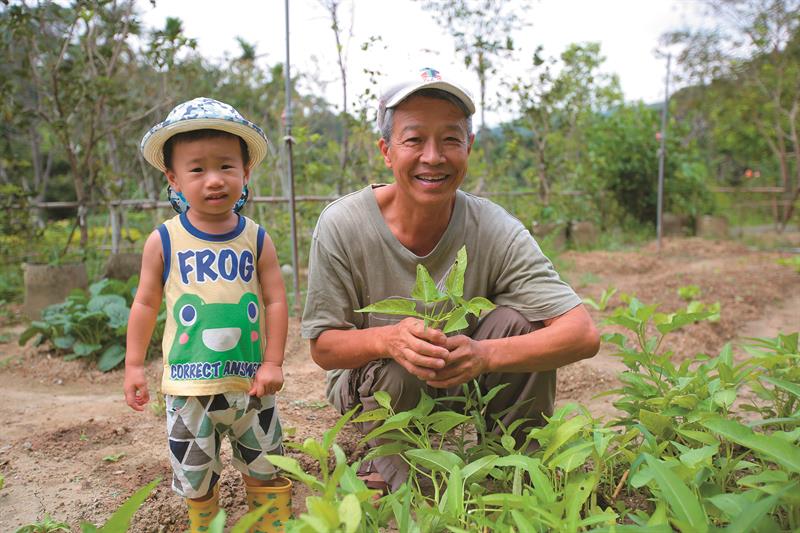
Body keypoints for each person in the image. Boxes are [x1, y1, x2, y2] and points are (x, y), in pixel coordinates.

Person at [301, 68, 600, 492]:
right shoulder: (343, 224)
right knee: (401, 368)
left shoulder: (493, 226)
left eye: (450, 139)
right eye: (414, 139)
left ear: (469, 147)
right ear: (387, 151)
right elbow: (323, 347)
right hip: (375, 384)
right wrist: (389, 339)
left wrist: (485, 354)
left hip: (463, 375)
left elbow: (582, 334)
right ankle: (393, 465)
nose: (433, 156)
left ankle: (511, 469)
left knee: (520, 325)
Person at [123, 97, 291, 533]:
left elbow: (275, 300)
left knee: (265, 465)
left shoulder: (256, 239)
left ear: (246, 172)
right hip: (187, 389)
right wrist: (134, 365)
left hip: (252, 385)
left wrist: (272, 361)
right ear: (173, 178)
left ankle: (269, 523)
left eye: (226, 167)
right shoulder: (164, 240)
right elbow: (145, 303)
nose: (214, 180)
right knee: (196, 479)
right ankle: (206, 524)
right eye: (197, 169)